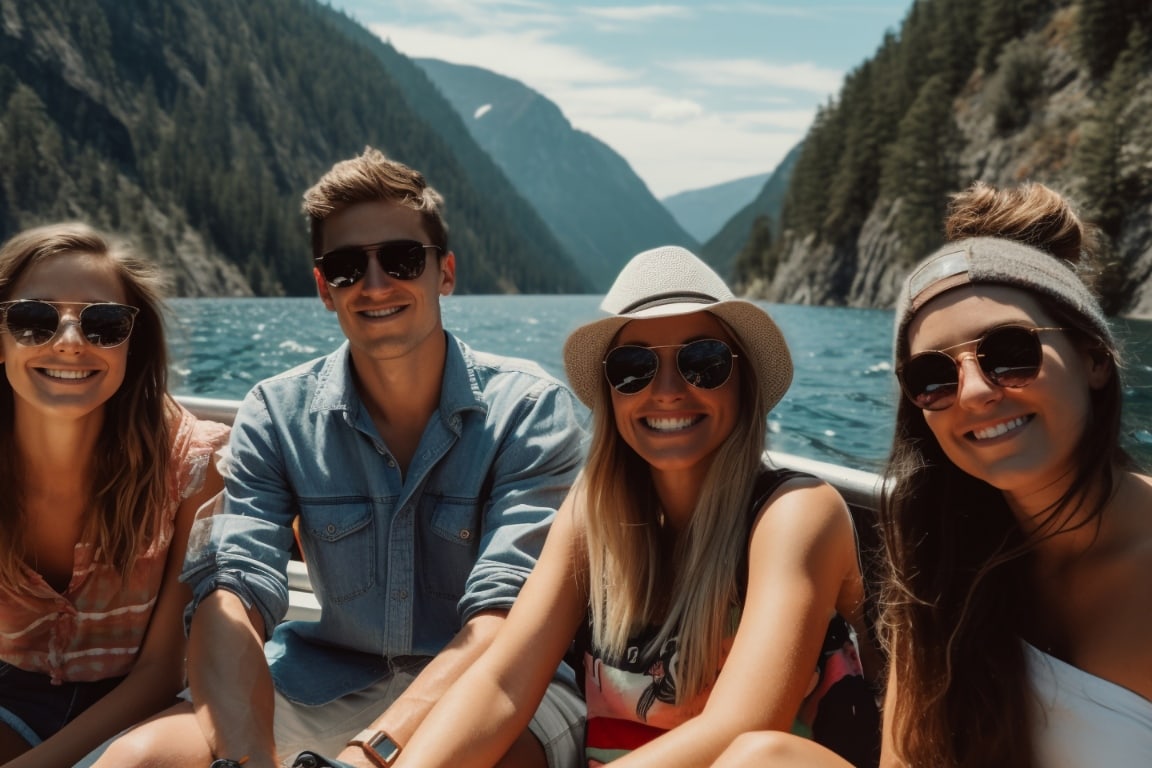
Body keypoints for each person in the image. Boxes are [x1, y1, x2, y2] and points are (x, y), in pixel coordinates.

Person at [93, 147, 587, 768]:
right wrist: (246, 758)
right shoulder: (275, 415)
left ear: (446, 273)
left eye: (403, 259)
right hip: (323, 680)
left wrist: (369, 753)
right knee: (136, 760)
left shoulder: (530, 410)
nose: (376, 285)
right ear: (325, 289)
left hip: (505, 686)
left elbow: (506, 619)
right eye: (349, 268)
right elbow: (231, 590)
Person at [710, 183, 1152, 767]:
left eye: (1011, 351)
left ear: (1094, 357)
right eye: (934, 375)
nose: (974, 391)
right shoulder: (943, 562)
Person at [391, 245, 879, 768]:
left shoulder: (797, 513)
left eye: (703, 363)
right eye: (633, 367)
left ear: (743, 383)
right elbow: (503, 681)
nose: (667, 391)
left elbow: (739, 728)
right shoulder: (593, 516)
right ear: (612, 393)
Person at [0, 222, 228, 767]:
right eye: (33, 319)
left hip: (144, 706)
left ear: (132, 344)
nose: (71, 342)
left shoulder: (192, 465)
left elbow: (161, 671)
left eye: (104, 324)